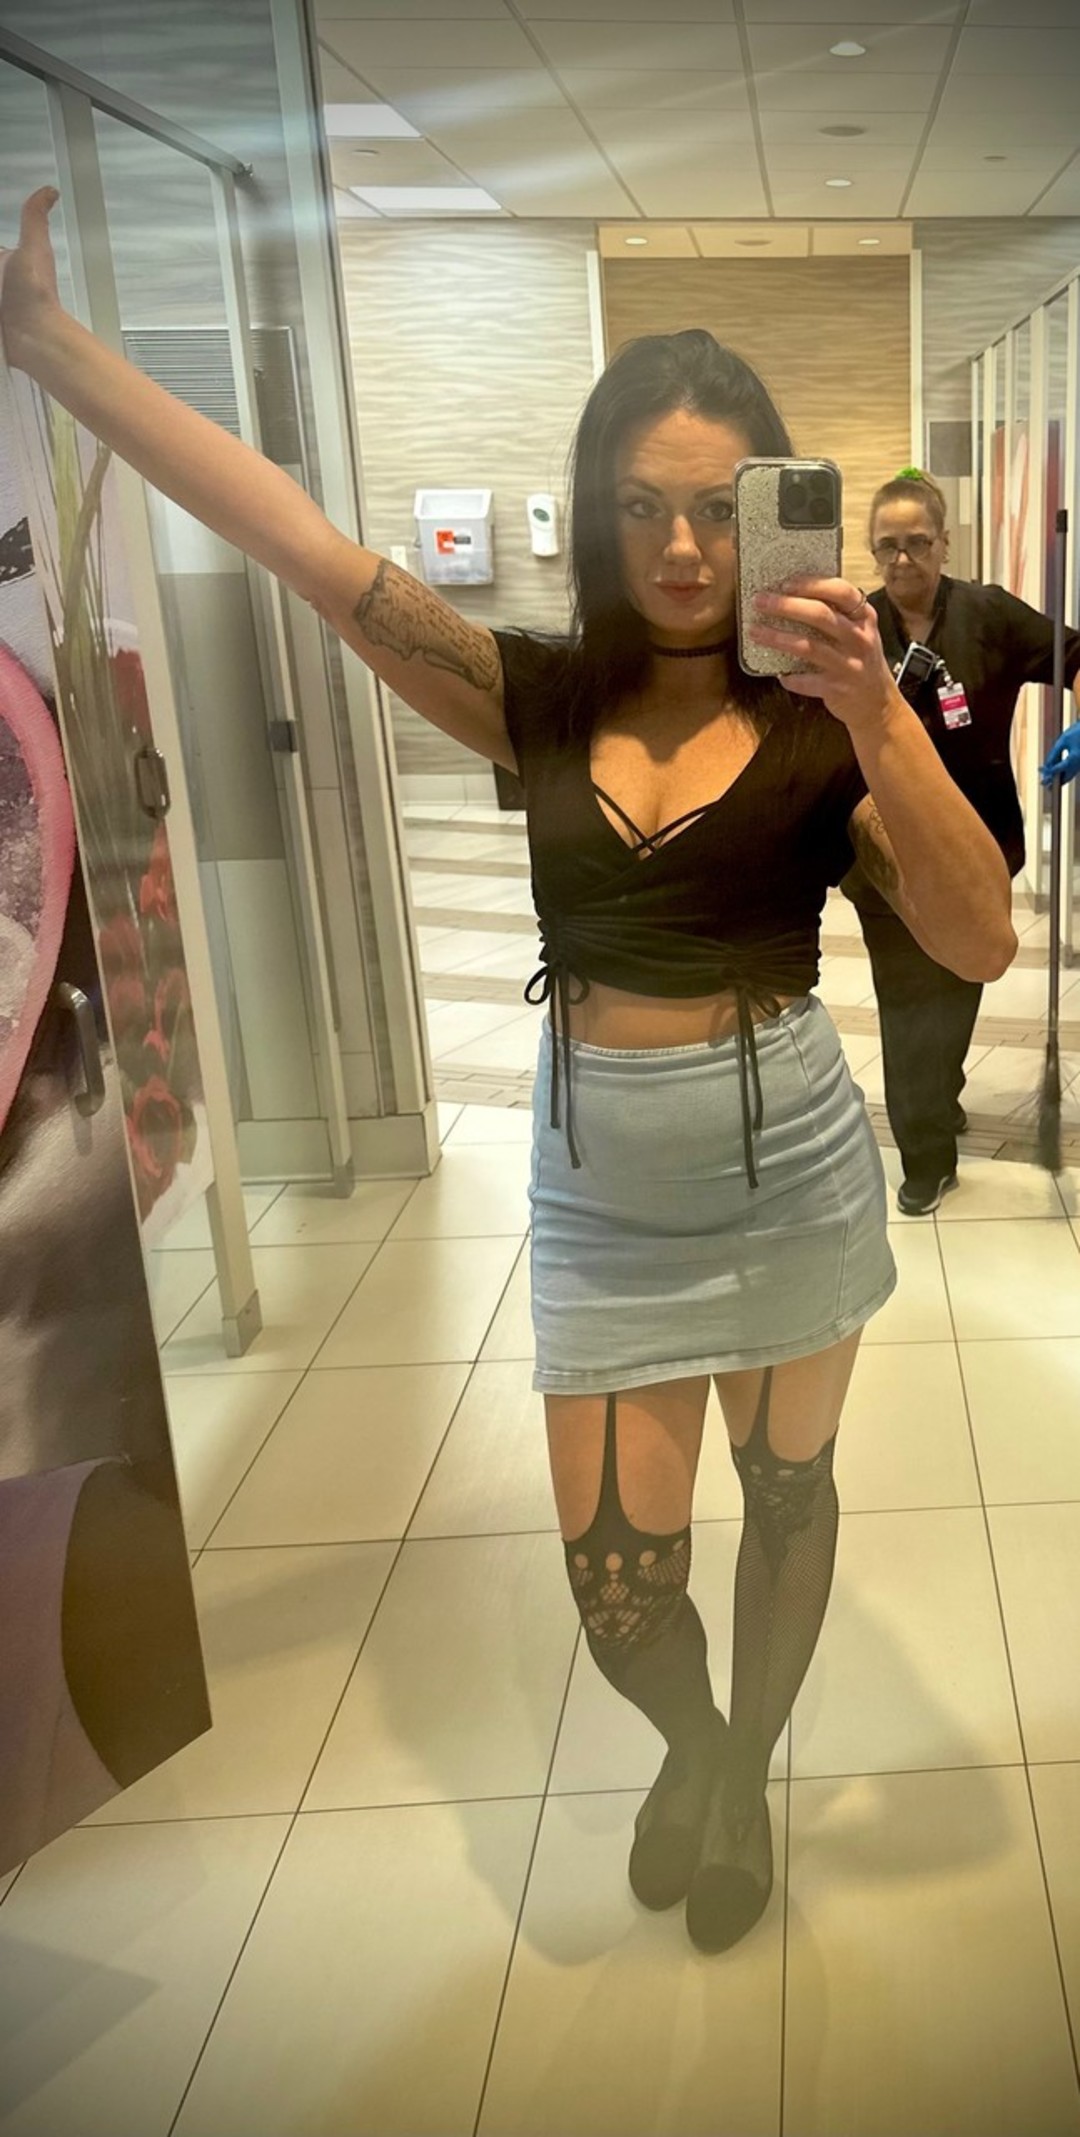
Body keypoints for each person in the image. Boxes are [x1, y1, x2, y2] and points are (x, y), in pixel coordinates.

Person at [0, 189, 1016, 1955]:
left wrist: (873, 712)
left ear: (769, 515)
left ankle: (740, 1777)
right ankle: (697, 1742)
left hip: (790, 1172)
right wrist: (50, 348)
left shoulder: (829, 718)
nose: (685, 547)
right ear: (601, 514)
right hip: (603, 1195)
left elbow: (982, 935)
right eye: (645, 507)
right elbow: (302, 544)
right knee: (617, 1582)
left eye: (721, 508)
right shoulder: (533, 696)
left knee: (787, 1493)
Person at [849, 467, 1080, 1215]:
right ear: (871, 549)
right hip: (884, 854)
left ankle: (939, 1094)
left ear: (945, 543)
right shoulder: (856, 626)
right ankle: (925, 1155)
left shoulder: (988, 615)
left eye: (918, 542)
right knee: (905, 999)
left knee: (957, 983)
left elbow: (1076, 654)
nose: (902, 559)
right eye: (887, 545)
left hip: (980, 845)